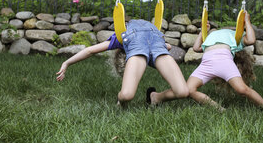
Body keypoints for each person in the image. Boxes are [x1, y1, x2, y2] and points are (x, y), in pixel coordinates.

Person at [56, 19, 189, 106]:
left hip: (157, 48)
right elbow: (169, 47)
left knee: (183, 92)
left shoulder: (121, 37)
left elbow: (90, 50)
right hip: (156, 48)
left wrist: (67, 63)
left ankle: (156, 97)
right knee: (126, 95)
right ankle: (125, 102)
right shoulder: (127, 44)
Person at [187, 12, 263, 112]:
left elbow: (251, 40)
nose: (226, 30)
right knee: (189, 90)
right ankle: (220, 110)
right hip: (206, 64)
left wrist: (247, 21)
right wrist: (203, 31)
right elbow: (196, 48)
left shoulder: (236, 38)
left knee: (242, 90)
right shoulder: (210, 37)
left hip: (224, 61)